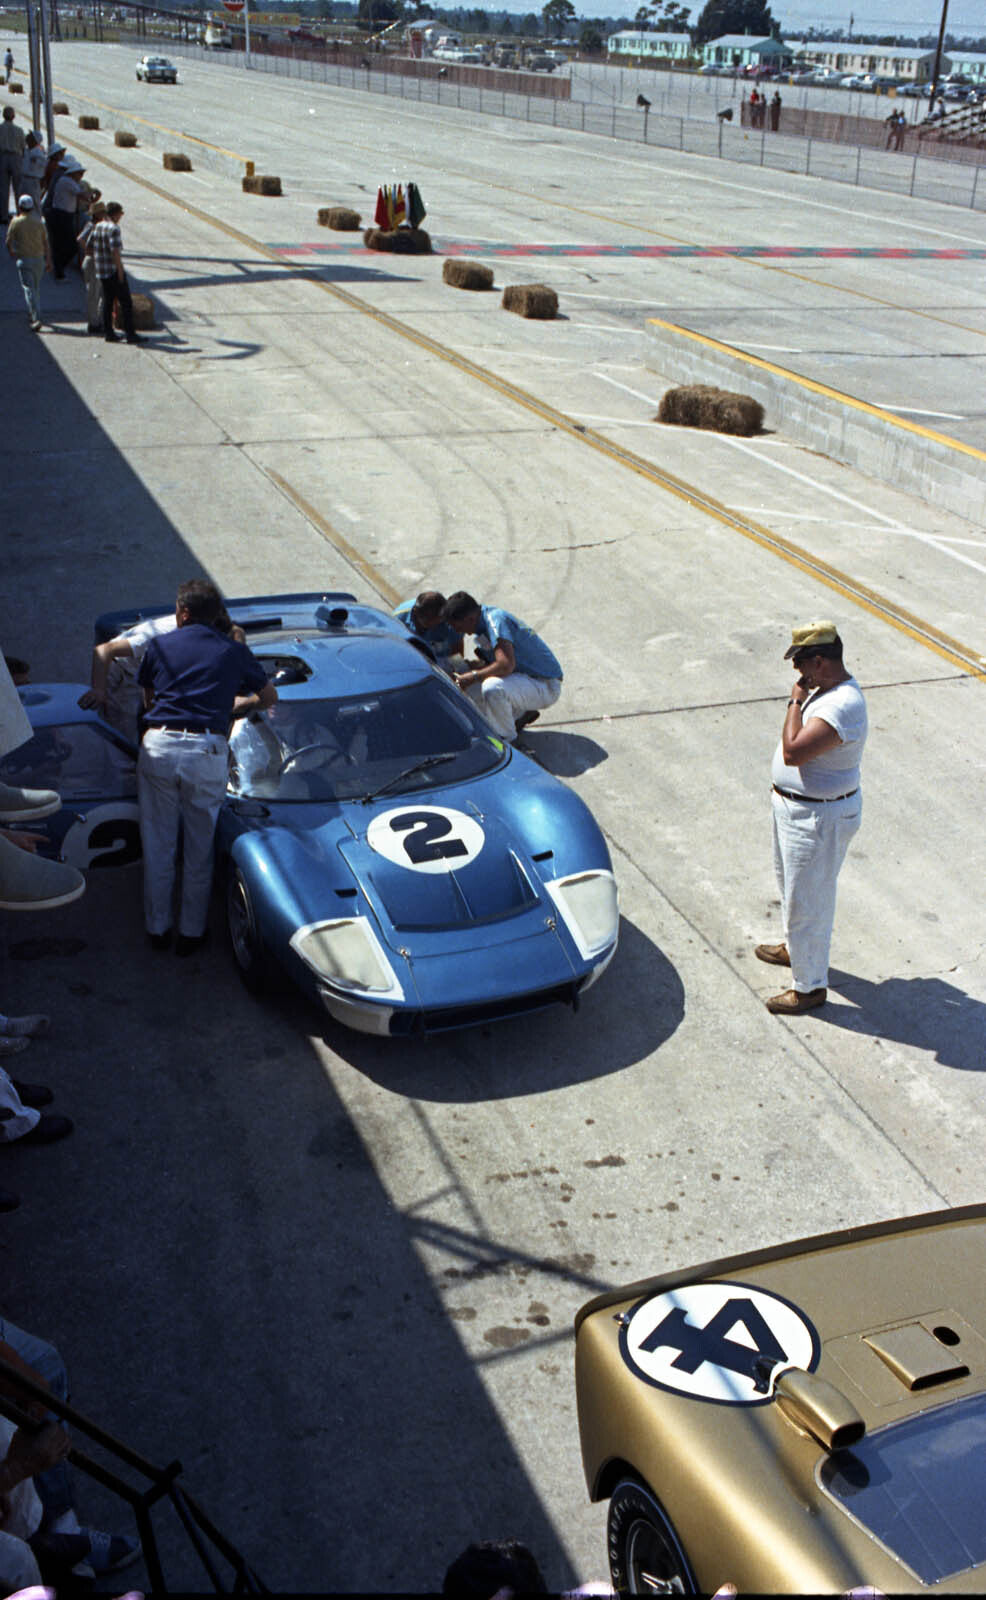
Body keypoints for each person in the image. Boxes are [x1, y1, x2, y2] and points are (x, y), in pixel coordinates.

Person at [137, 580, 276, 954]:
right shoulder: (232, 650)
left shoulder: (159, 645)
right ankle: (192, 934)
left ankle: (157, 928)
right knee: (200, 847)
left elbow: (148, 699)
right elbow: (269, 696)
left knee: (159, 841)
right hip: (207, 750)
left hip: (159, 746)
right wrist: (236, 703)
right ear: (215, 615)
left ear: (183, 612)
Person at [756, 621, 867, 1015]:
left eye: (801, 662)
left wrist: (795, 702)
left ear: (820, 661)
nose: (796, 672)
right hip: (797, 810)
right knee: (792, 890)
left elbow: (793, 752)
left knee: (810, 903)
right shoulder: (827, 692)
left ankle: (809, 988)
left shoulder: (842, 705)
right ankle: (795, 948)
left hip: (818, 820)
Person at [441, 592, 562, 742]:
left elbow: (505, 665)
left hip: (545, 684)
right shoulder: (482, 624)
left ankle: (506, 740)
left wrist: (474, 675)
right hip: (523, 680)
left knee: (492, 687)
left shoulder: (495, 620)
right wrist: (476, 668)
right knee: (464, 676)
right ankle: (517, 715)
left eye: (458, 626)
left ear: (470, 618)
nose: (458, 631)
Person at [90, 200, 142, 344]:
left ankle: (109, 333)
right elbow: (115, 252)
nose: (121, 216)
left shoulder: (98, 226)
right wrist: (120, 271)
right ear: (115, 214)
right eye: (121, 213)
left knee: (107, 301)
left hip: (101, 270)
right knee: (126, 302)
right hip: (113, 270)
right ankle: (130, 334)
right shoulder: (114, 229)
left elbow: (89, 246)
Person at [5, 195, 51, 332]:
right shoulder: (39, 221)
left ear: (19, 207)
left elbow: (8, 241)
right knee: (35, 288)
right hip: (39, 259)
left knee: (28, 289)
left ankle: (36, 317)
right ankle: (35, 312)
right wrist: (48, 260)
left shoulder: (16, 222)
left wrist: (12, 252)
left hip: (24, 259)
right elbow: (46, 243)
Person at [46, 153, 87, 278]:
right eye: (79, 173)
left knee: (61, 244)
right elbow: (82, 195)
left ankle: (59, 270)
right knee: (70, 246)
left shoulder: (66, 180)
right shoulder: (68, 181)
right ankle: (59, 268)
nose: (81, 176)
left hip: (62, 215)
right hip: (61, 216)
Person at [394, 591, 460, 664]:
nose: (435, 626)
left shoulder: (448, 619)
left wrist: (459, 668)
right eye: (429, 623)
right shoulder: (398, 619)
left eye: (439, 621)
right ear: (416, 613)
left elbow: (457, 647)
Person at [79, 197, 106, 333]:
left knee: (97, 293)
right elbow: (80, 239)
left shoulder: (96, 225)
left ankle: (96, 321)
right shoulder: (91, 226)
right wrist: (90, 251)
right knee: (93, 294)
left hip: (94, 261)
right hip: (92, 262)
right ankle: (93, 323)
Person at [0, 106, 24, 226]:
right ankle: (21, 212)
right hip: (16, 158)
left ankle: (4, 215)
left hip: (3, 157)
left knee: (3, 187)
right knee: (18, 187)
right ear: (13, 116)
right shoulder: (19, 130)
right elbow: (23, 147)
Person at [17, 130, 45, 208]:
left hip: (32, 181)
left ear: (34, 140)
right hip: (24, 180)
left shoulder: (38, 154)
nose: (27, 137)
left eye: (30, 136)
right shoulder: (26, 151)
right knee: (22, 203)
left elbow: (42, 169)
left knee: (34, 203)